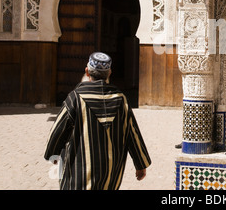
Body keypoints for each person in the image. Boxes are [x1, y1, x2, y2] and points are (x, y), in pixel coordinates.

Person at [44, 52, 151, 190]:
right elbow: (132, 133)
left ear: (87, 72)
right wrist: (140, 164)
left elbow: (58, 130)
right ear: (109, 73)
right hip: (110, 176)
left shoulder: (75, 98)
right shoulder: (120, 99)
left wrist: (52, 153)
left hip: (78, 175)